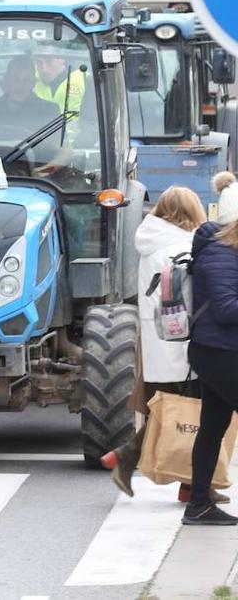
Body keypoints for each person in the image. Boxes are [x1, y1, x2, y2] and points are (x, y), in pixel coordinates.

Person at [101, 186, 226, 506]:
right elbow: (194, 294)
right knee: (194, 414)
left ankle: (177, 480)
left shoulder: (151, 242)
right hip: (182, 342)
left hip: (158, 340)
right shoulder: (180, 246)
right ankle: (138, 462)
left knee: (179, 410)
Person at [182, 171, 238, 525]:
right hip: (220, 353)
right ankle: (198, 502)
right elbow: (226, 308)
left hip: (218, 351)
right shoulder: (220, 253)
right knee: (212, 427)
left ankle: (198, 503)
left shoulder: (225, 250)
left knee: (213, 426)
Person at [0, 55, 61, 147]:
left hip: (39, 161)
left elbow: (65, 153)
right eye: (15, 80)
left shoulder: (49, 111)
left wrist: (50, 162)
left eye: (26, 81)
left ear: (33, 83)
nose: (20, 86)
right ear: (7, 81)